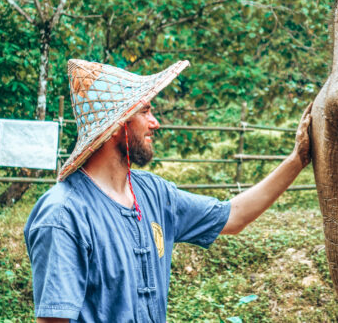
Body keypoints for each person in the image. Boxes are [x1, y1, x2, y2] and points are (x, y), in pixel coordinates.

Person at [24, 59, 312, 323]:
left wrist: (297, 159)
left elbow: (234, 216)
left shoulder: (153, 193)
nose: (155, 123)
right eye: (145, 111)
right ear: (114, 127)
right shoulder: (64, 214)